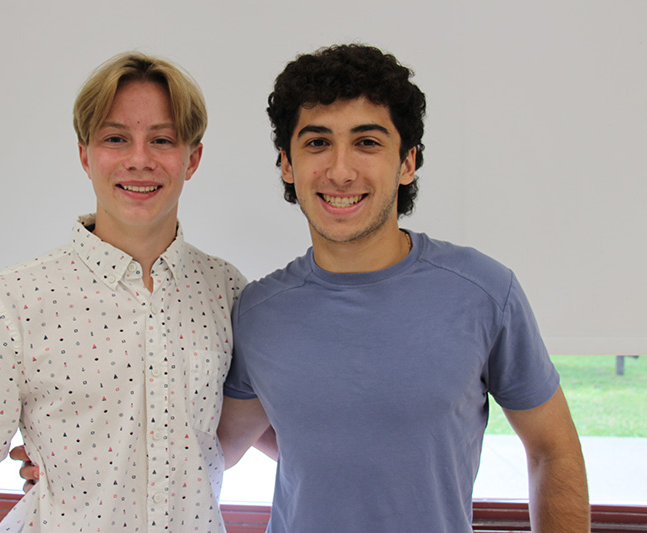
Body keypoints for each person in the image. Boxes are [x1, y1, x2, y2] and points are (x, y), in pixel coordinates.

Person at [217, 44, 590, 532]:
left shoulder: (482, 293)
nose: (341, 170)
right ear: (287, 165)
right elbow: (215, 451)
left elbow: (553, 450)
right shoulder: (258, 312)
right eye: (317, 143)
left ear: (408, 162)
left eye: (367, 142)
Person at [0, 52, 245, 533]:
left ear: (192, 158)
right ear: (85, 155)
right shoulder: (11, 300)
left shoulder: (228, 292)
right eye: (116, 138)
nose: (139, 159)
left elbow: (226, 441)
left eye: (162, 140)